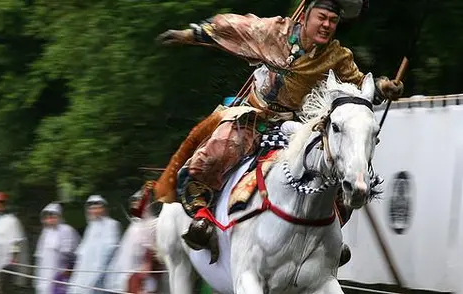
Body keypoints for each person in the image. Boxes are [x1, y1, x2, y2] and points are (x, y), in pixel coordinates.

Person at [145, 0, 404, 264]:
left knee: (337, 168)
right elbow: (233, 26)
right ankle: (202, 218)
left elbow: (361, 84)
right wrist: (188, 35)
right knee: (220, 148)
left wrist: (383, 87)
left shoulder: (337, 56)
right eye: (322, 17)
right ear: (305, 15)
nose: (327, 25)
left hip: (300, 124)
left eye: (333, 21)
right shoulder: (275, 32)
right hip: (255, 116)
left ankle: (330, 235)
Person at [105, 190, 162, 294]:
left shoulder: (153, 223)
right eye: (134, 203)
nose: (136, 205)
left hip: (145, 274)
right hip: (129, 273)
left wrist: (148, 265)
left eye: (139, 202)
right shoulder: (133, 225)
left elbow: (155, 250)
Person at [67, 195, 121, 294]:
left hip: (103, 268)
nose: (95, 211)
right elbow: (84, 247)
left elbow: (112, 246)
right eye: (92, 208)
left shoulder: (112, 224)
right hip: (86, 267)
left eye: (97, 208)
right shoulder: (91, 226)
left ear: (103, 209)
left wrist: (101, 267)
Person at [34, 202, 80, 294]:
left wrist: (67, 269)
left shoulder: (66, 230)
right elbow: (40, 255)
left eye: (53, 216)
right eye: (48, 217)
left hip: (60, 273)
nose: (50, 219)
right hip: (45, 272)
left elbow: (70, 253)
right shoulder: (45, 232)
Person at [0, 192, 29, 294]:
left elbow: (16, 242)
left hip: (4, 264)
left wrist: (14, 259)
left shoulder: (11, 220)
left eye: (0, 203)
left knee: (0, 289)